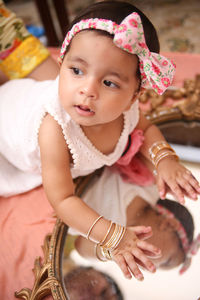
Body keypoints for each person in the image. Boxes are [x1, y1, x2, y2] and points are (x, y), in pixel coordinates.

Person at [0, 0, 200, 282]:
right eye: (76, 71)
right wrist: (111, 234)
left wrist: (164, 158)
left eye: (109, 83)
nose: (88, 90)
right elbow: (62, 199)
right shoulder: (53, 130)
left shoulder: (126, 112)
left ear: (134, 95)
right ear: (63, 62)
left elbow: (146, 128)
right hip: (7, 120)